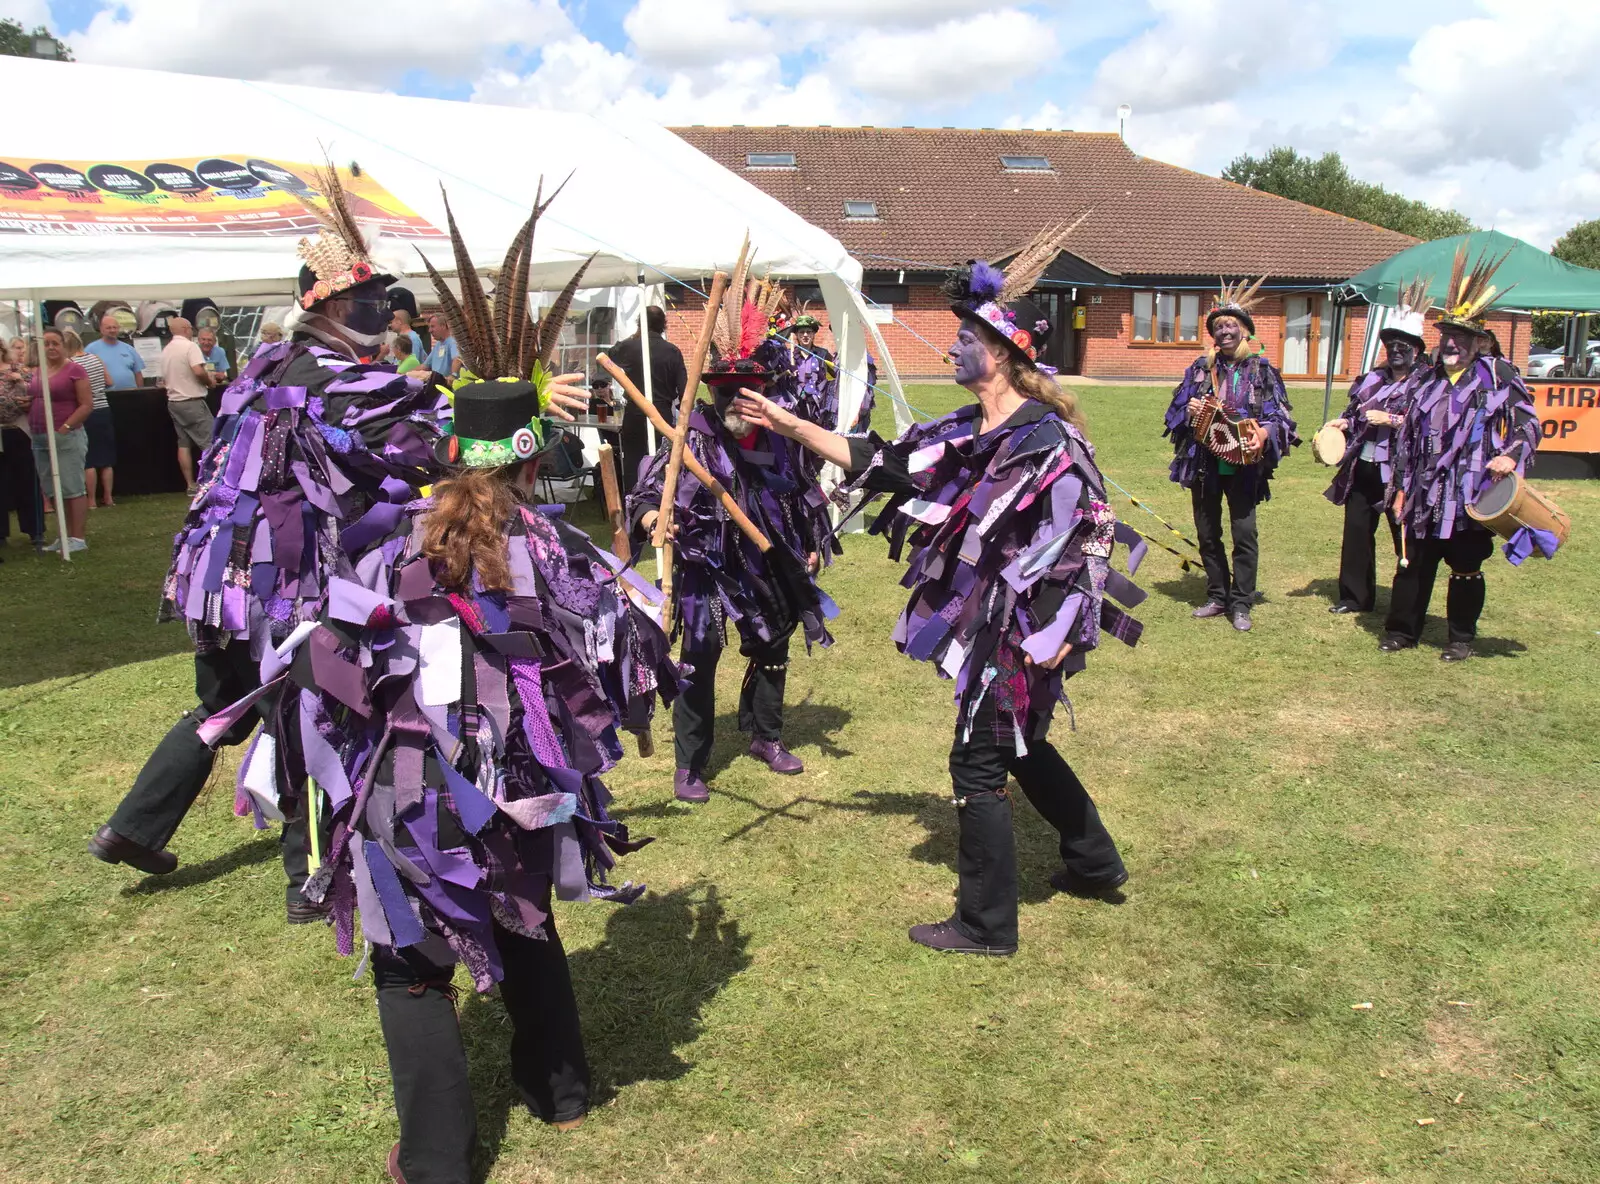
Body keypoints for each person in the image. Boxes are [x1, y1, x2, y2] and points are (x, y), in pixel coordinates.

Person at [202, 197, 668, 1184]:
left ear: (443, 448)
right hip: (521, 795)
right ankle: (561, 1087)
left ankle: (437, 1157)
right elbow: (622, 678)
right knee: (522, 911)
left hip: (409, 796)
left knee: (410, 962)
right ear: (536, 457)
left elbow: (323, 667)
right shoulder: (563, 552)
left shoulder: (383, 546)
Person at [734, 224, 1144, 956]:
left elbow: (1090, 536)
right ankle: (1093, 858)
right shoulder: (971, 429)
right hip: (991, 620)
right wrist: (791, 423)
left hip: (1025, 630)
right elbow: (885, 462)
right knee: (1019, 744)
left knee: (978, 760)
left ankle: (986, 926)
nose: (951, 348)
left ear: (1002, 354)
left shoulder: (1046, 440)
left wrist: (1055, 636)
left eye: (963, 340)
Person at [87, 162, 459, 921]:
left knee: (224, 705)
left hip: (220, 578)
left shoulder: (263, 365)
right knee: (311, 720)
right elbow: (420, 444)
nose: (378, 313)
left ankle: (132, 827)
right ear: (320, 307)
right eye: (361, 301)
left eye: (379, 299)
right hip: (279, 584)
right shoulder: (329, 375)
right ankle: (310, 880)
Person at [626, 274, 835, 803]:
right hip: (707, 562)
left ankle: (766, 736)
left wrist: (808, 541)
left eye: (750, 397)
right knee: (700, 651)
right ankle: (690, 764)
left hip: (766, 556)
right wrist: (656, 521)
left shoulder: (779, 438)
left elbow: (801, 491)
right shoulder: (689, 438)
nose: (740, 408)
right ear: (714, 395)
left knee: (774, 642)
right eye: (730, 398)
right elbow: (649, 495)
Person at [1383, 247, 1540, 661]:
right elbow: (1407, 441)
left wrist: (1510, 455)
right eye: (1445, 336)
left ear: (1478, 342)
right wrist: (1400, 487)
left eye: (1459, 337)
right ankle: (1402, 631)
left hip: (1470, 493)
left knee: (1465, 566)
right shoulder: (1426, 379)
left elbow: (1528, 424)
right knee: (1412, 562)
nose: (1450, 343)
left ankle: (1460, 638)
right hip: (1423, 491)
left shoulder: (1499, 377)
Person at [1163, 278, 1299, 632]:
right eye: (1218, 327)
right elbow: (1174, 415)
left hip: (1244, 464)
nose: (1224, 332)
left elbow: (1280, 416)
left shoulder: (1262, 370)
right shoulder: (1199, 369)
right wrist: (1189, 409)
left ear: (1244, 332)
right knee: (1207, 533)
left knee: (1244, 533)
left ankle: (1241, 602)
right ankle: (1217, 595)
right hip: (1204, 463)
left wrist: (1265, 433)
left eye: (1230, 326)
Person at [1322, 279, 1427, 615]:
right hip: (1363, 468)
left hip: (1401, 474)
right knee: (1356, 534)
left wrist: (1394, 421)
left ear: (1417, 351)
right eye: (1391, 346)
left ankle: (1405, 603)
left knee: (1404, 537)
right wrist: (1344, 422)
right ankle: (1355, 597)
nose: (1396, 352)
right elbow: (1356, 413)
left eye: (1403, 347)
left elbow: (1429, 427)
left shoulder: (1426, 384)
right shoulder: (1372, 380)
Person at [27, 328, 94, 553]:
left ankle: (78, 537)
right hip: (38, 435)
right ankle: (62, 534)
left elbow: (86, 404)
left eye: (55, 343)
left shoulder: (75, 370)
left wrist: (65, 428)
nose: (51, 348)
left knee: (71, 486)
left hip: (66, 436)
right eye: (46, 344)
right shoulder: (38, 371)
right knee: (52, 488)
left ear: (64, 346)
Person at [610, 305, 687, 491]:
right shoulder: (672, 351)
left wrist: (635, 336)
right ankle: (659, 498)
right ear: (663, 325)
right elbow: (684, 390)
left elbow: (611, 354)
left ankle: (632, 499)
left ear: (639, 323)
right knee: (660, 460)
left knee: (633, 462)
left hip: (635, 413)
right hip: (662, 413)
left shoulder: (630, 347)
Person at [158, 318, 214, 495]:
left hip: (174, 401)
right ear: (185, 329)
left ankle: (190, 484)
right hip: (191, 401)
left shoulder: (166, 350)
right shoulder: (190, 347)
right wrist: (209, 382)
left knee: (184, 444)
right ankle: (212, 482)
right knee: (210, 442)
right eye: (191, 328)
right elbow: (198, 370)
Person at [66, 329, 116, 509]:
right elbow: (109, 381)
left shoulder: (70, 364)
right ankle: (109, 497)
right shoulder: (95, 358)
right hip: (103, 409)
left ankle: (91, 500)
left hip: (83, 411)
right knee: (106, 458)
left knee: (89, 459)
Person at [0, 346, 44, 553]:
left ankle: (35, 530)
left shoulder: (20, 369)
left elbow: (37, 392)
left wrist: (22, 385)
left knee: (27, 480)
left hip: (19, 429)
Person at [85, 313, 145, 389]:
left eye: (115, 327)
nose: (112, 330)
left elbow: (138, 374)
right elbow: (84, 376)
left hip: (130, 394)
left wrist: (140, 393)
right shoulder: (91, 349)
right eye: (108, 328)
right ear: (101, 329)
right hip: (105, 396)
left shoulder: (129, 349)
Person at [425, 313, 462, 379]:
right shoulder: (438, 344)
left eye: (432, 326)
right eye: (429, 327)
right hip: (436, 383)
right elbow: (425, 365)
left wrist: (453, 375)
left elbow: (457, 359)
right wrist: (406, 373)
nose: (430, 330)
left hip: (447, 386)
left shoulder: (453, 342)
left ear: (443, 326)